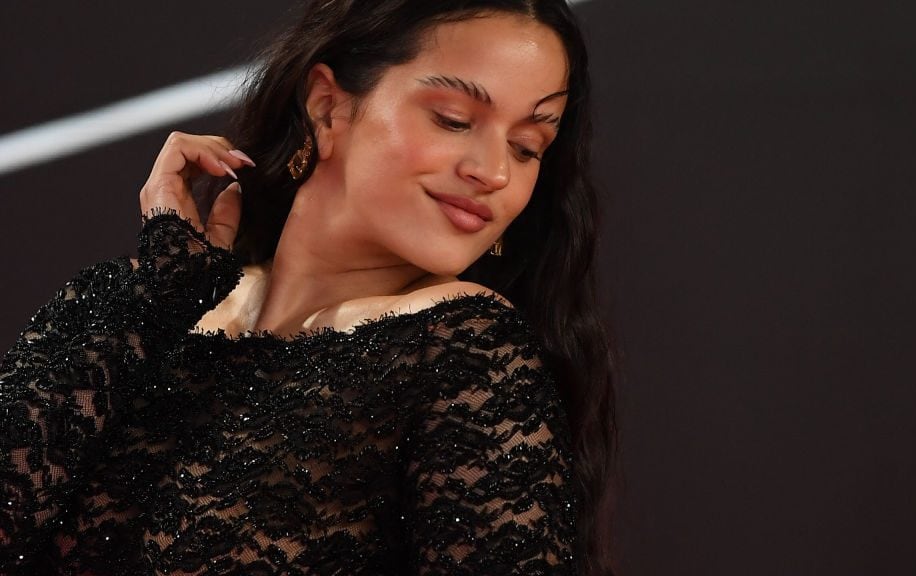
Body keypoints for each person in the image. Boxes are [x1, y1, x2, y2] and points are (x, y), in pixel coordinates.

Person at [0, 0, 618, 574]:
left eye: (528, 145)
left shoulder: (465, 350)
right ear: (328, 106)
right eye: (454, 120)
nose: (494, 172)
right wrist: (165, 286)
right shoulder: (133, 308)